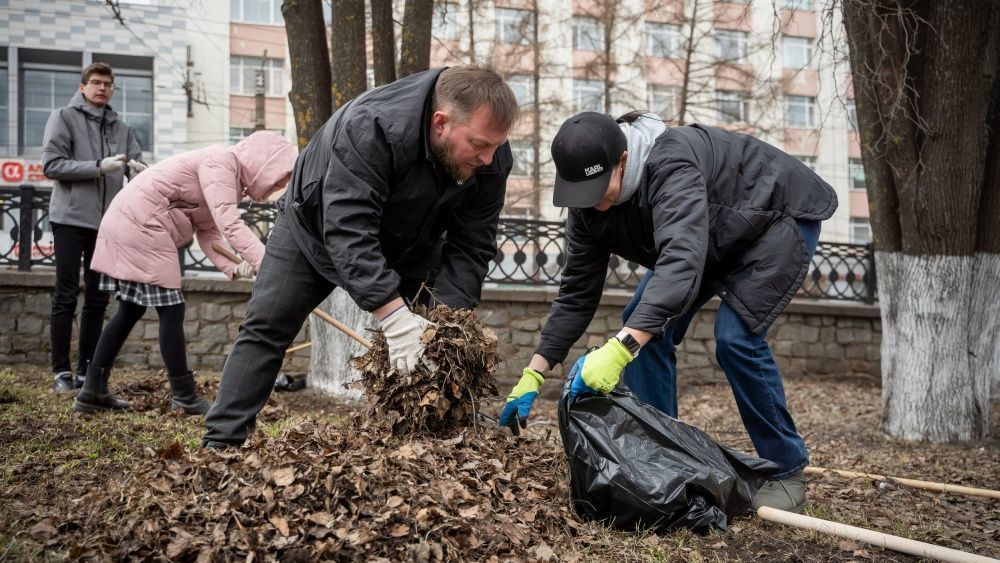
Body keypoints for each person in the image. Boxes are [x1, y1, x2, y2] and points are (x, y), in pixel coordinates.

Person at [499, 111, 837, 513]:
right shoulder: (586, 203)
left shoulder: (670, 163)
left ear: (622, 160)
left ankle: (786, 469)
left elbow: (680, 262)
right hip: (709, 236)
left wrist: (621, 348)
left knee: (735, 339)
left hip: (774, 217)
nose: (593, 203)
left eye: (596, 187)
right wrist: (535, 371)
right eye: (580, 191)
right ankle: (663, 458)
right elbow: (576, 291)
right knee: (643, 328)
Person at [203, 65, 519, 447]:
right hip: (315, 227)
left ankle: (416, 446)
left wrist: (445, 325)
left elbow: (471, 246)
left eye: (495, 146)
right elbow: (348, 227)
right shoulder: (373, 125)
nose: (488, 159)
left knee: (428, 347)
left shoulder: (490, 156)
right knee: (266, 328)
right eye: (479, 145)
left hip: (412, 245)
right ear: (441, 123)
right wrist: (394, 315)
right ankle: (221, 443)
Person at [73, 130, 297, 414]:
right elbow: (228, 222)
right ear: (264, 164)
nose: (278, 184)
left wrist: (234, 266)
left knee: (130, 309)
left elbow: (208, 230)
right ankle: (184, 395)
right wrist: (268, 264)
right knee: (171, 309)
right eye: (278, 176)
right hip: (143, 224)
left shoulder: (228, 174)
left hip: (136, 222)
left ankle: (92, 390)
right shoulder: (221, 163)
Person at [42, 62, 145, 392]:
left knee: (99, 300)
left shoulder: (122, 129)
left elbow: (136, 168)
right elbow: (52, 165)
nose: (102, 88)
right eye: (96, 83)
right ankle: (61, 370)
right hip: (70, 221)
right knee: (66, 295)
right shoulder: (63, 117)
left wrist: (141, 171)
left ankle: (87, 369)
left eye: (108, 84)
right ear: (82, 86)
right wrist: (98, 167)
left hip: (107, 227)